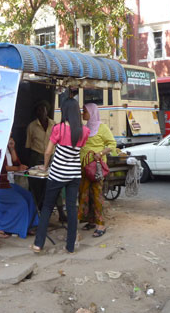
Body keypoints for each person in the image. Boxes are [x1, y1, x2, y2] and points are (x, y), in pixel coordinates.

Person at [31, 98, 90, 253]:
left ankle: (38, 244)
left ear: (64, 111)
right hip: (74, 174)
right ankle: (70, 246)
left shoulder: (59, 128)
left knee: (47, 208)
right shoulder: (84, 131)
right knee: (71, 208)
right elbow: (77, 150)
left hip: (57, 174)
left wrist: (45, 167)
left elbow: (48, 151)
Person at [78, 103, 116, 238]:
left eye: (85, 111)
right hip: (84, 167)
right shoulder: (84, 128)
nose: (83, 114)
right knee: (84, 195)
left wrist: (100, 153)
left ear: (92, 112)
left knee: (97, 194)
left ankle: (101, 224)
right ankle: (91, 220)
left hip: (96, 168)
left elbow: (112, 144)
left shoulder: (102, 128)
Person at [25, 101, 66, 222]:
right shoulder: (31, 126)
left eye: (43, 110)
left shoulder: (54, 125)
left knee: (55, 183)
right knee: (37, 186)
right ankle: (39, 213)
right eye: (38, 110)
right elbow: (28, 146)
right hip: (36, 155)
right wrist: (29, 163)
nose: (41, 112)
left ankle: (61, 213)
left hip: (52, 156)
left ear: (47, 111)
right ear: (36, 113)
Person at [0, 136, 39, 239]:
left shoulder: (7, 146)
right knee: (20, 203)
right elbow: (1, 167)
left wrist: (12, 149)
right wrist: (17, 168)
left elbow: (16, 162)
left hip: (8, 183)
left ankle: (28, 225)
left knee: (29, 197)